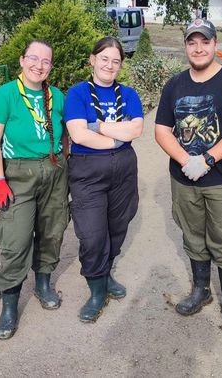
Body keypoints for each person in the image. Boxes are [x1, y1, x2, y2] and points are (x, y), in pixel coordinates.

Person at [154, 19, 222, 334]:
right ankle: (201, 290)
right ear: (185, 46)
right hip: (185, 179)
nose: (198, 48)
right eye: (192, 42)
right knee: (193, 238)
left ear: (215, 45)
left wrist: (208, 158)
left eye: (205, 42)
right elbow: (161, 130)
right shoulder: (174, 85)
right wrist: (186, 159)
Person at [0, 40, 69, 340]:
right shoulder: (5, 95)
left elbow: (66, 133)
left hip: (54, 170)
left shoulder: (56, 96)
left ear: (51, 67)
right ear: (22, 60)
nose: (39, 65)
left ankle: (43, 283)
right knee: (16, 239)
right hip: (18, 174)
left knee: (52, 230)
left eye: (46, 61)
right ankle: (10, 303)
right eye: (33, 58)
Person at [64, 36, 144, 323]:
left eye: (116, 61)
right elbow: (78, 135)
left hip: (124, 169)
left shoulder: (129, 94)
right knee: (92, 233)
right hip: (88, 170)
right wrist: (115, 139)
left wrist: (98, 126)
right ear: (92, 60)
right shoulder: (77, 94)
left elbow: (136, 130)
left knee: (117, 226)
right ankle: (96, 292)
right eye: (104, 59)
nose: (110, 65)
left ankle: (105, 275)